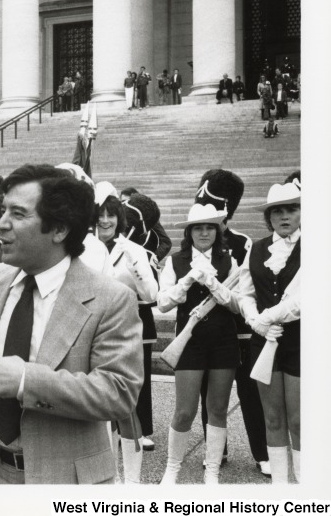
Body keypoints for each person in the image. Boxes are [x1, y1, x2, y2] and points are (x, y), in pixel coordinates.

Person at [0, 164, 143, 485]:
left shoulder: (110, 299)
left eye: (18, 214)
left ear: (59, 230)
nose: (1, 224)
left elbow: (118, 393)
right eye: (2, 211)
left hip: (65, 482)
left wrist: (28, 381)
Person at [194, 170, 270, 478]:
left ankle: (262, 452)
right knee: (210, 396)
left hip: (239, 330)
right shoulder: (196, 241)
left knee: (251, 394)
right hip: (208, 331)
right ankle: (217, 450)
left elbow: (248, 290)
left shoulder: (243, 242)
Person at [158, 203, 241, 485]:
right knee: (184, 411)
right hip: (189, 342)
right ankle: (172, 469)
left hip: (223, 341)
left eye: (210, 227)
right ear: (189, 231)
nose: (204, 232)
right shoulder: (175, 261)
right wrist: (188, 280)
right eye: (198, 227)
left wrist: (215, 285)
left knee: (217, 409)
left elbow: (237, 305)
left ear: (218, 231)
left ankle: (212, 472)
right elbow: (163, 303)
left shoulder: (229, 262)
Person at [237, 181, 301, 484]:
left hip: (301, 341)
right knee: (272, 418)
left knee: (299, 421)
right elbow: (245, 293)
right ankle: (279, 487)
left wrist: (268, 317)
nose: (284, 216)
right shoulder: (258, 248)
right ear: (269, 216)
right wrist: (255, 321)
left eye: (291, 209)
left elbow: (304, 299)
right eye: (278, 211)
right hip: (264, 342)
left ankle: (304, 485)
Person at [95, 191, 159, 484]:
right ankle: (111, 476)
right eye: (101, 213)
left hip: (124, 332)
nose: (105, 220)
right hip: (93, 334)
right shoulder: (85, 248)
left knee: (127, 407)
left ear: (119, 219)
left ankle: (131, 482)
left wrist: (136, 268)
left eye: (111, 214)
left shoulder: (133, 250)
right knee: (100, 407)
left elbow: (151, 295)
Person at [119, 192, 164, 454]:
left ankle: (144, 428)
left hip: (139, 318)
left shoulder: (146, 250)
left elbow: (151, 294)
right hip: (111, 319)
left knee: (141, 378)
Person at [120, 187, 172, 265]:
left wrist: (151, 260)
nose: (124, 205)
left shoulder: (146, 219)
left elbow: (166, 242)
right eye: (122, 202)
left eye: (127, 202)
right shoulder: (118, 218)